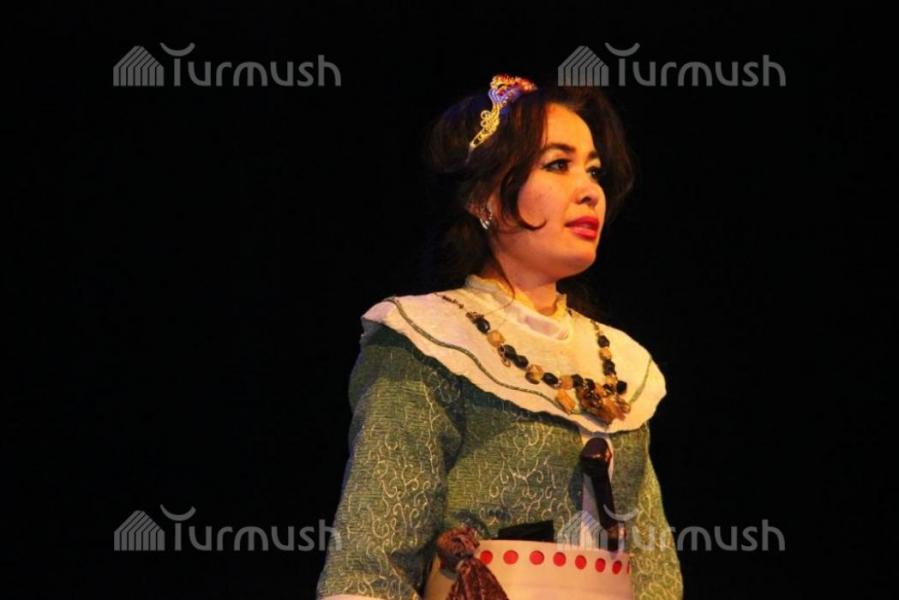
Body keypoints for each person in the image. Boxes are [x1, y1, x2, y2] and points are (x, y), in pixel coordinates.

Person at [316, 74, 683, 600]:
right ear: (483, 196)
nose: (589, 191)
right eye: (557, 165)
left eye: (594, 171)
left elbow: (653, 569)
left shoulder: (622, 364)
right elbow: (373, 561)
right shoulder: (429, 338)